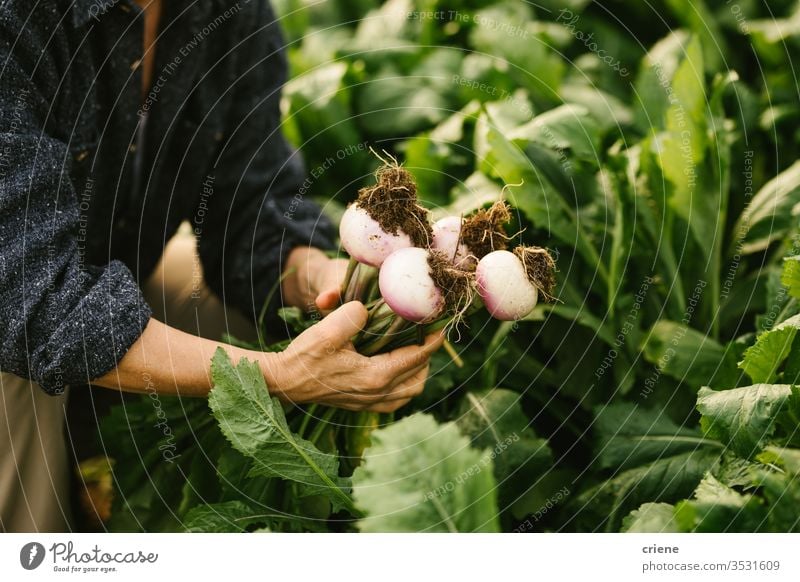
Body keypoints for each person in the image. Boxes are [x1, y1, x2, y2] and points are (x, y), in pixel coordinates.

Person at [0, 0, 442, 532]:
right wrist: (277, 376)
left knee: (243, 320)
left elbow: (250, 210)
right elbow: (33, 301)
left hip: (104, 279)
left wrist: (319, 280)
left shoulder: (231, 12)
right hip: (18, 307)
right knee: (18, 387)